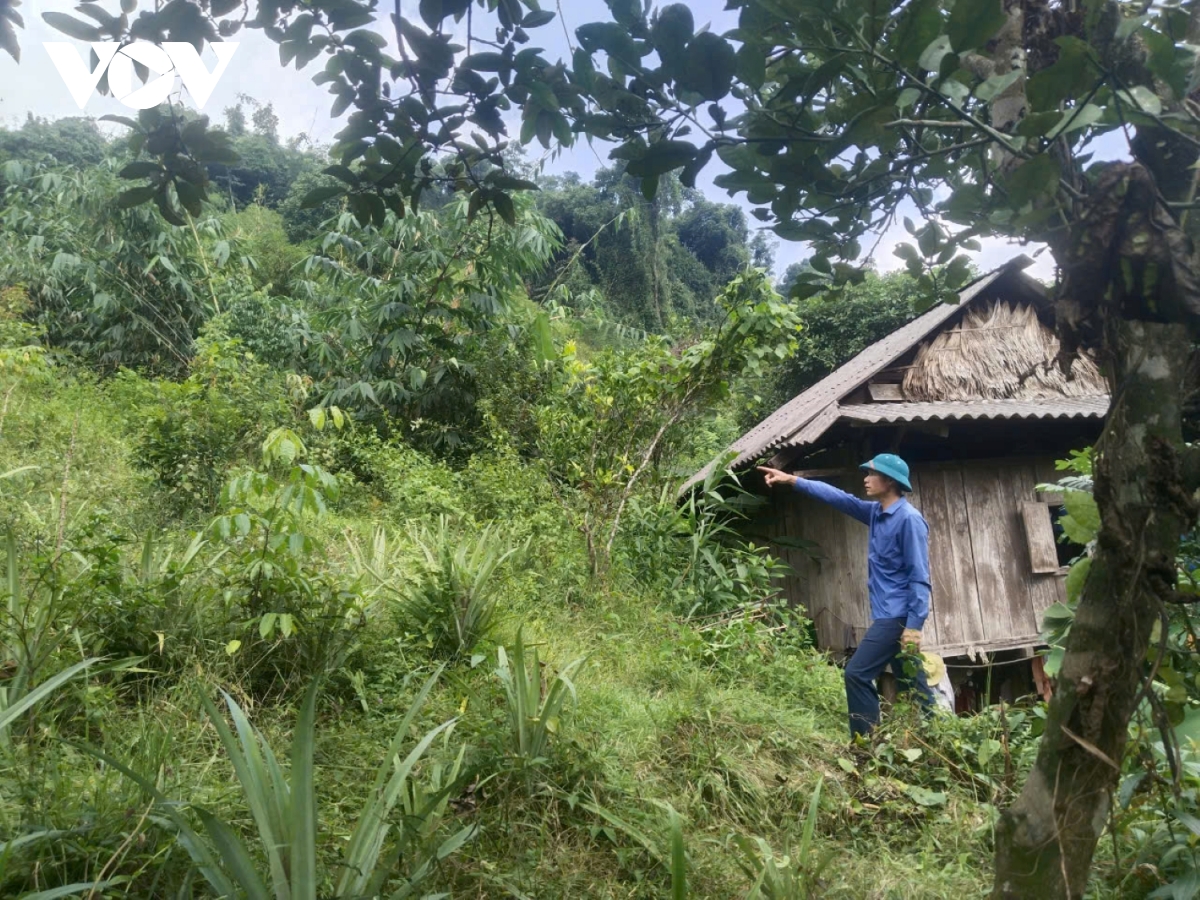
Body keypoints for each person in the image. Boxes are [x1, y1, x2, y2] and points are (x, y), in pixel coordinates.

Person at [757, 454, 934, 739]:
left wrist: (914, 625)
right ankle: (937, 738)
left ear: (889, 481)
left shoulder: (909, 520)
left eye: (871, 474)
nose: (865, 478)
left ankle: (865, 744)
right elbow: (839, 499)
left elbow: (920, 578)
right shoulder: (877, 513)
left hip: (898, 617)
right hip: (889, 614)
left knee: (857, 673)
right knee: (912, 684)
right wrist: (792, 480)